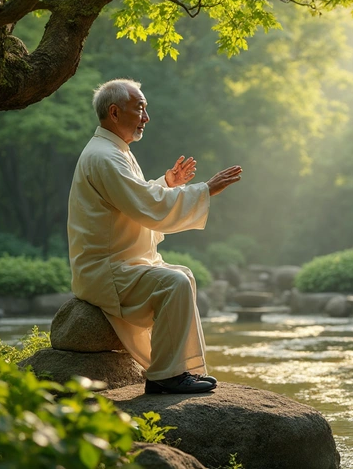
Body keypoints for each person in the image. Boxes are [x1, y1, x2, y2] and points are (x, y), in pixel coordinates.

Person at [67, 79, 242, 394]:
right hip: (105, 269)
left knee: (183, 275)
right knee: (173, 283)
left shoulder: (113, 150)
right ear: (115, 112)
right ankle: (164, 377)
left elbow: (137, 197)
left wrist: (167, 182)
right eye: (140, 109)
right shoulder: (105, 156)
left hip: (120, 263)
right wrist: (205, 190)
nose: (146, 117)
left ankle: (177, 369)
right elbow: (145, 205)